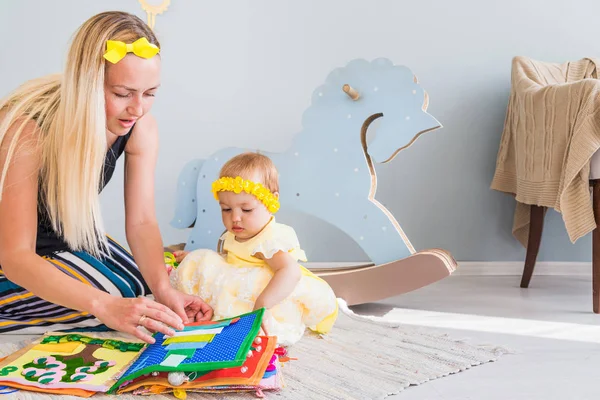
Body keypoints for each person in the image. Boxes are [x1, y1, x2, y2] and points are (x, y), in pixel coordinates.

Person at [0, 11, 212, 344]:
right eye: (123, 93)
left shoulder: (140, 125)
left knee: (141, 288)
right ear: (88, 85)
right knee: (114, 294)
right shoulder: (28, 130)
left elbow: (142, 222)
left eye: (150, 93)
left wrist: (164, 289)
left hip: (61, 243)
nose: (138, 108)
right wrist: (104, 305)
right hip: (12, 257)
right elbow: (15, 256)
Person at [170, 152, 338, 346]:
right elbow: (229, 261)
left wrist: (262, 305)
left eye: (246, 210)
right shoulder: (235, 232)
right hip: (237, 280)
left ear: (270, 201)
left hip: (268, 292)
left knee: (251, 286)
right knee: (203, 260)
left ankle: (248, 320)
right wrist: (198, 259)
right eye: (226, 209)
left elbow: (290, 272)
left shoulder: (269, 239)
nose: (235, 218)